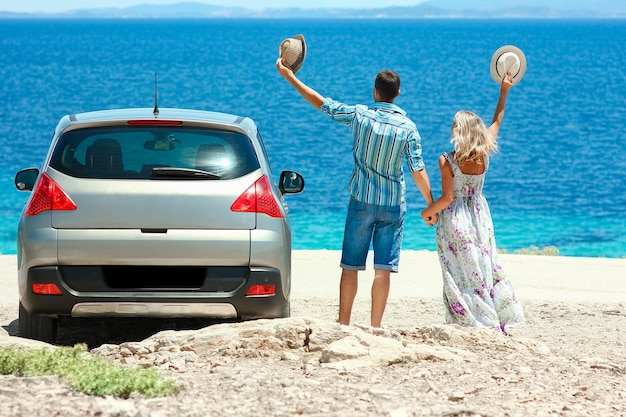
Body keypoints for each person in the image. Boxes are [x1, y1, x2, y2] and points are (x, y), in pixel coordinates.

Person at [276, 59, 435, 328]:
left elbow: (322, 103)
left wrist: (289, 76)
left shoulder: (360, 115)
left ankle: (344, 323)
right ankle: (375, 327)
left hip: (361, 200)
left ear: (375, 91)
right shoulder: (408, 128)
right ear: (397, 94)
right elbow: (418, 169)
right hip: (392, 205)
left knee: (351, 265)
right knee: (383, 268)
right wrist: (431, 205)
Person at [421, 73, 525, 333]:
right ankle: (498, 316)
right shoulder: (486, 149)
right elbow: (498, 118)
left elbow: (447, 198)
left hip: (456, 219)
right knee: (486, 265)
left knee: (458, 270)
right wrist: (504, 90)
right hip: (480, 215)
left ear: (459, 131)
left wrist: (427, 211)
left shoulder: (448, 160)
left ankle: (470, 320)